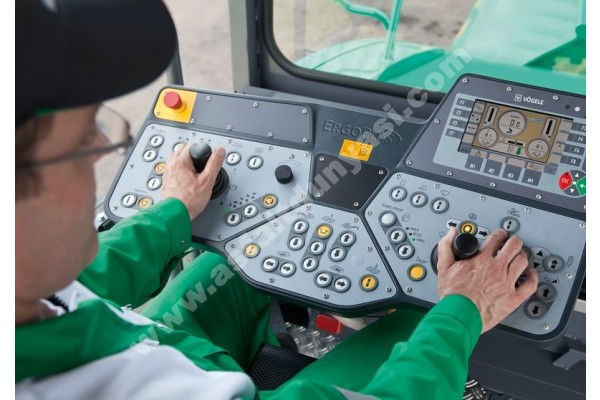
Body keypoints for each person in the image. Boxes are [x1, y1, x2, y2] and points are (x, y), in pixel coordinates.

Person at [15, 0, 539, 398]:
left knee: (237, 260)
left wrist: (172, 211)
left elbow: (84, 280)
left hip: (151, 339)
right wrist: (462, 311)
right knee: (420, 317)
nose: (100, 159)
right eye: (86, 143)